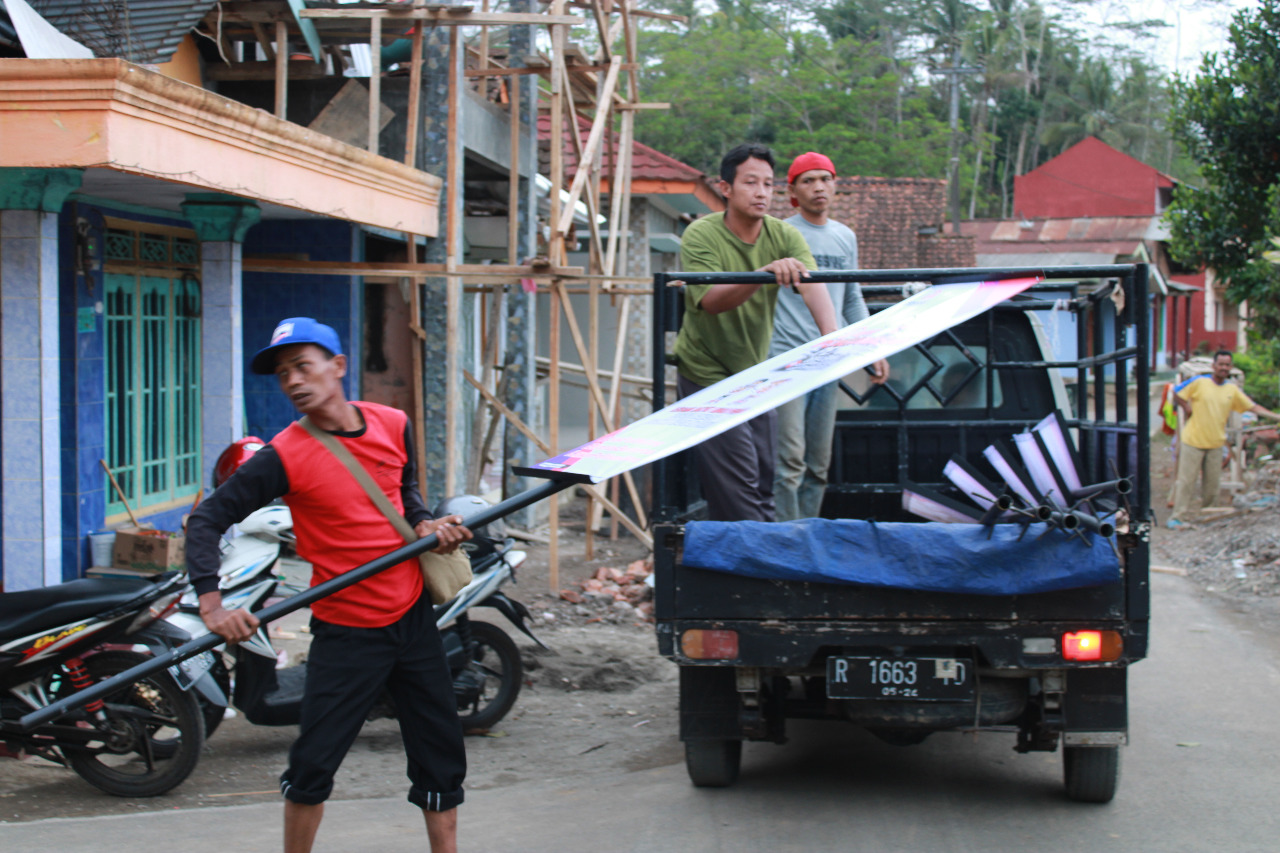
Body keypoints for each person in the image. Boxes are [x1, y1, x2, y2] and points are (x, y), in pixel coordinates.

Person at [186, 318, 472, 853]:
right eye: (282, 372)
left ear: (337, 367)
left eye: (302, 365)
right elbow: (207, 519)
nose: (292, 379)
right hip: (346, 630)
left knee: (440, 755)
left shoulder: (392, 423)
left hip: (413, 618)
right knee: (314, 762)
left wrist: (427, 524)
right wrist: (212, 605)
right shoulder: (283, 455)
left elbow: (402, 491)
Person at [673, 143, 840, 522]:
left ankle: (759, 560)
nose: (762, 192)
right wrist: (762, 276)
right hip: (706, 373)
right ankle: (756, 570)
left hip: (756, 371)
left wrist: (834, 340)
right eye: (751, 182)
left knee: (768, 479)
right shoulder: (701, 234)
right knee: (740, 485)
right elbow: (711, 300)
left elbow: (814, 285)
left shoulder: (783, 235)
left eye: (768, 184)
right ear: (726, 188)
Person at [769, 151, 889, 520]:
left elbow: (852, 297)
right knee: (788, 460)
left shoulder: (844, 237)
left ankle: (806, 536)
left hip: (829, 360)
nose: (818, 187)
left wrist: (873, 349)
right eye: (808, 180)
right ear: (793, 190)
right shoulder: (781, 232)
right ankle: (783, 541)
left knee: (818, 463)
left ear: (835, 184)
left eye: (825, 178)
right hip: (786, 360)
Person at [1167, 349, 1280, 528]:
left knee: (1212, 485)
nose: (1224, 368)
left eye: (1227, 365)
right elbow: (1177, 391)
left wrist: (1276, 417)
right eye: (1221, 364)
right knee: (1186, 481)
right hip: (1193, 440)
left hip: (1216, 442)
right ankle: (1177, 516)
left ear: (1230, 367)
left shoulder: (1231, 389)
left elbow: (1253, 408)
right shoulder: (1199, 382)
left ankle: (1208, 516)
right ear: (1214, 366)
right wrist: (1187, 408)